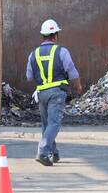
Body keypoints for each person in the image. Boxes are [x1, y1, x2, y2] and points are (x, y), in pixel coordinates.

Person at [26, 19, 82, 166]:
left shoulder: (33, 54)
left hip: (41, 93)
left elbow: (29, 76)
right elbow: (72, 72)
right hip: (56, 93)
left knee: (47, 124)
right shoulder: (62, 51)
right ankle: (42, 151)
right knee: (54, 124)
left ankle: (53, 153)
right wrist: (78, 87)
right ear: (55, 35)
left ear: (43, 35)